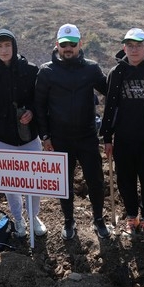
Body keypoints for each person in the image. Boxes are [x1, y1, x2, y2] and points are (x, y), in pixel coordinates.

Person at [34, 23, 109, 240]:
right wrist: (45, 136)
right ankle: (68, 221)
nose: (68, 48)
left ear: (80, 44)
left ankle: (98, 220)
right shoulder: (47, 71)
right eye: (64, 44)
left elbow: (110, 93)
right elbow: (39, 105)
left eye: (72, 44)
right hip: (60, 138)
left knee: (95, 180)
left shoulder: (91, 69)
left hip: (87, 137)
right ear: (57, 44)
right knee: (63, 183)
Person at [0, 28, 47, 238]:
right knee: (11, 184)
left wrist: (31, 112)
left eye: (7, 45)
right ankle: (18, 219)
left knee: (34, 181)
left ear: (14, 46)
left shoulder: (31, 70)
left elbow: (39, 101)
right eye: (0, 46)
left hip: (30, 137)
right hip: (5, 140)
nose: (4, 50)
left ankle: (34, 216)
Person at [99, 28, 144, 239]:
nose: (134, 50)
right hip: (123, 139)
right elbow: (110, 107)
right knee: (125, 182)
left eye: (139, 45)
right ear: (124, 47)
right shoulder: (116, 73)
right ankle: (131, 218)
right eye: (130, 45)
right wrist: (107, 137)